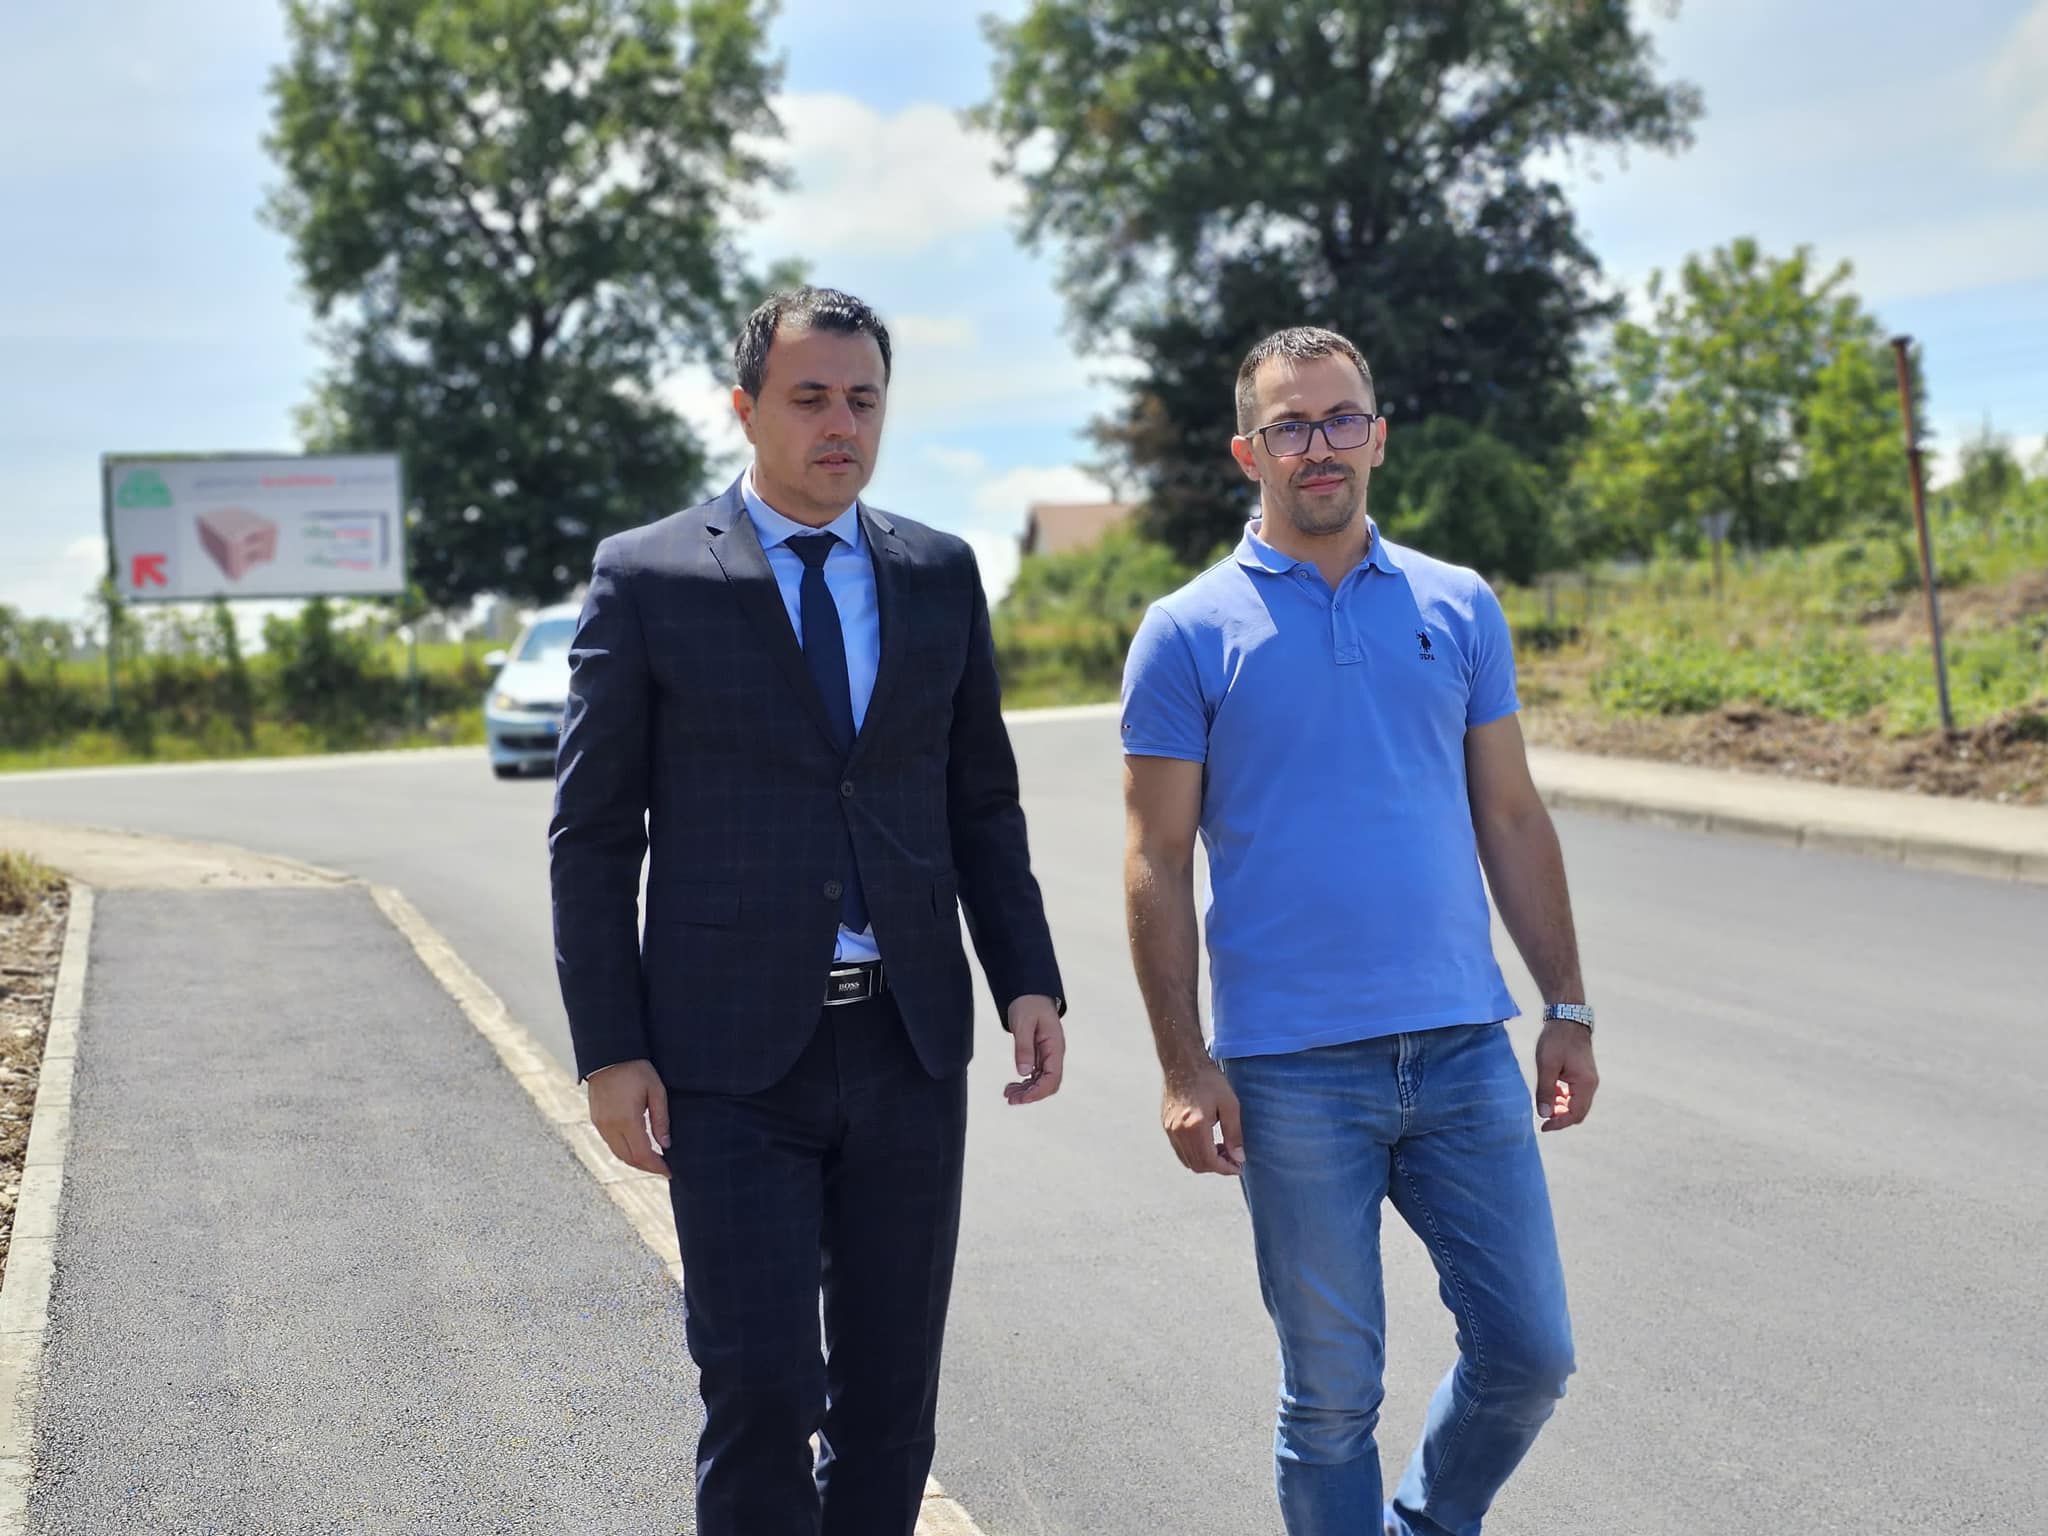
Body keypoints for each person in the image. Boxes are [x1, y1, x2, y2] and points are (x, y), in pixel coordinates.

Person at [549, 285, 1067, 1536]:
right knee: (761, 1386)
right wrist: (609, 1050)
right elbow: (594, 835)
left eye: (863, 400)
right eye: (811, 398)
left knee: (891, 1404)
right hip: (728, 1061)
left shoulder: (936, 573)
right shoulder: (649, 577)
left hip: (906, 1043)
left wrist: (1025, 977)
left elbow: (979, 799)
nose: (842, 425)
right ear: (745, 408)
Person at [1119, 326, 1597, 1535]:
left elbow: (1510, 814)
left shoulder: (1457, 604)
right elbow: (1155, 857)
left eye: (1339, 420)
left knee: (1529, 1353)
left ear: (1376, 437)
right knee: (1331, 1399)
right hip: (1289, 1072)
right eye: (1288, 426)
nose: (1317, 446)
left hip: (1460, 1049)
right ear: (1248, 452)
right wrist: (1182, 1064)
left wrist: (1566, 1007)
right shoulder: (1185, 630)